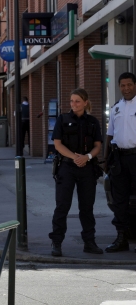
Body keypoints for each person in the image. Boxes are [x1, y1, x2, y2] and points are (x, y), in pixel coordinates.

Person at [48, 88, 103, 257]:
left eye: (77, 101)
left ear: (85, 102)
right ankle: (57, 243)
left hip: (87, 168)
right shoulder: (62, 119)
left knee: (87, 207)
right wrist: (75, 158)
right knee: (62, 206)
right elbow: (57, 144)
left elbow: (98, 146)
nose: (74, 104)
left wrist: (87, 157)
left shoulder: (93, 122)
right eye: (72, 101)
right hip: (67, 167)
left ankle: (89, 242)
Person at [104, 72, 136, 253]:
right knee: (119, 200)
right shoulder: (116, 107)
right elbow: (110, 135)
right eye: (123, 85)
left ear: (135, 85)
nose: (126, 88)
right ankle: (121, 238)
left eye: (129, 85)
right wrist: (105, 160)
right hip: (119, 159)